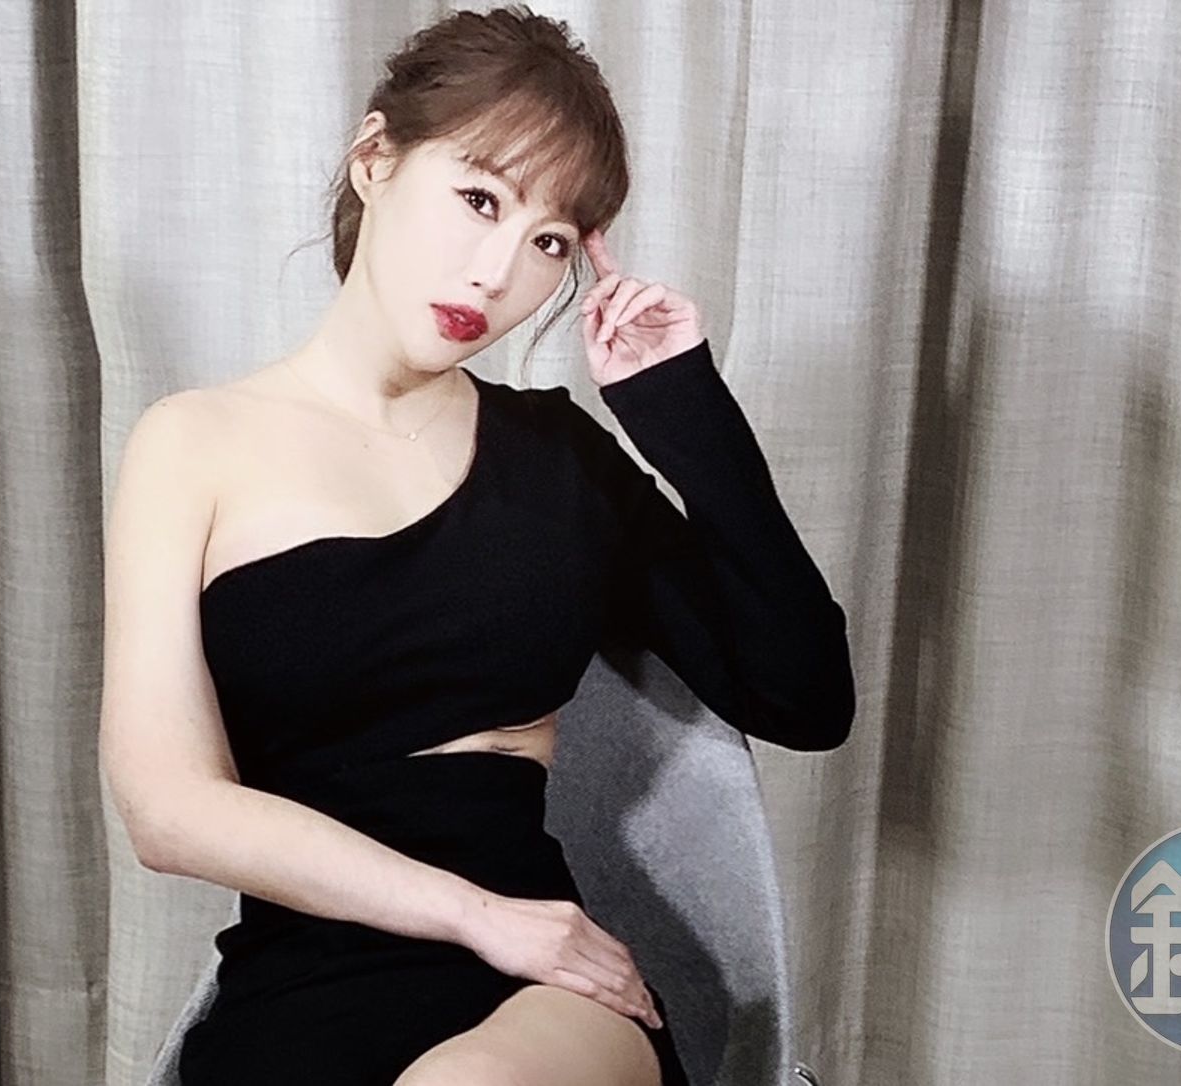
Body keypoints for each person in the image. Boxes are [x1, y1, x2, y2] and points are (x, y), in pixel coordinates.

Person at [98, 6, 855, 1084]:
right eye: (480, 200)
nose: (498, 272)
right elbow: (168, 810)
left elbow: (804, 697)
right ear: (375, 159)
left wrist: (682, 407)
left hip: (544, 993)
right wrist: (469, 913)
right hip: (302, 985)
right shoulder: (189, 444)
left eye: (550, 242)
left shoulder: (557, 460)